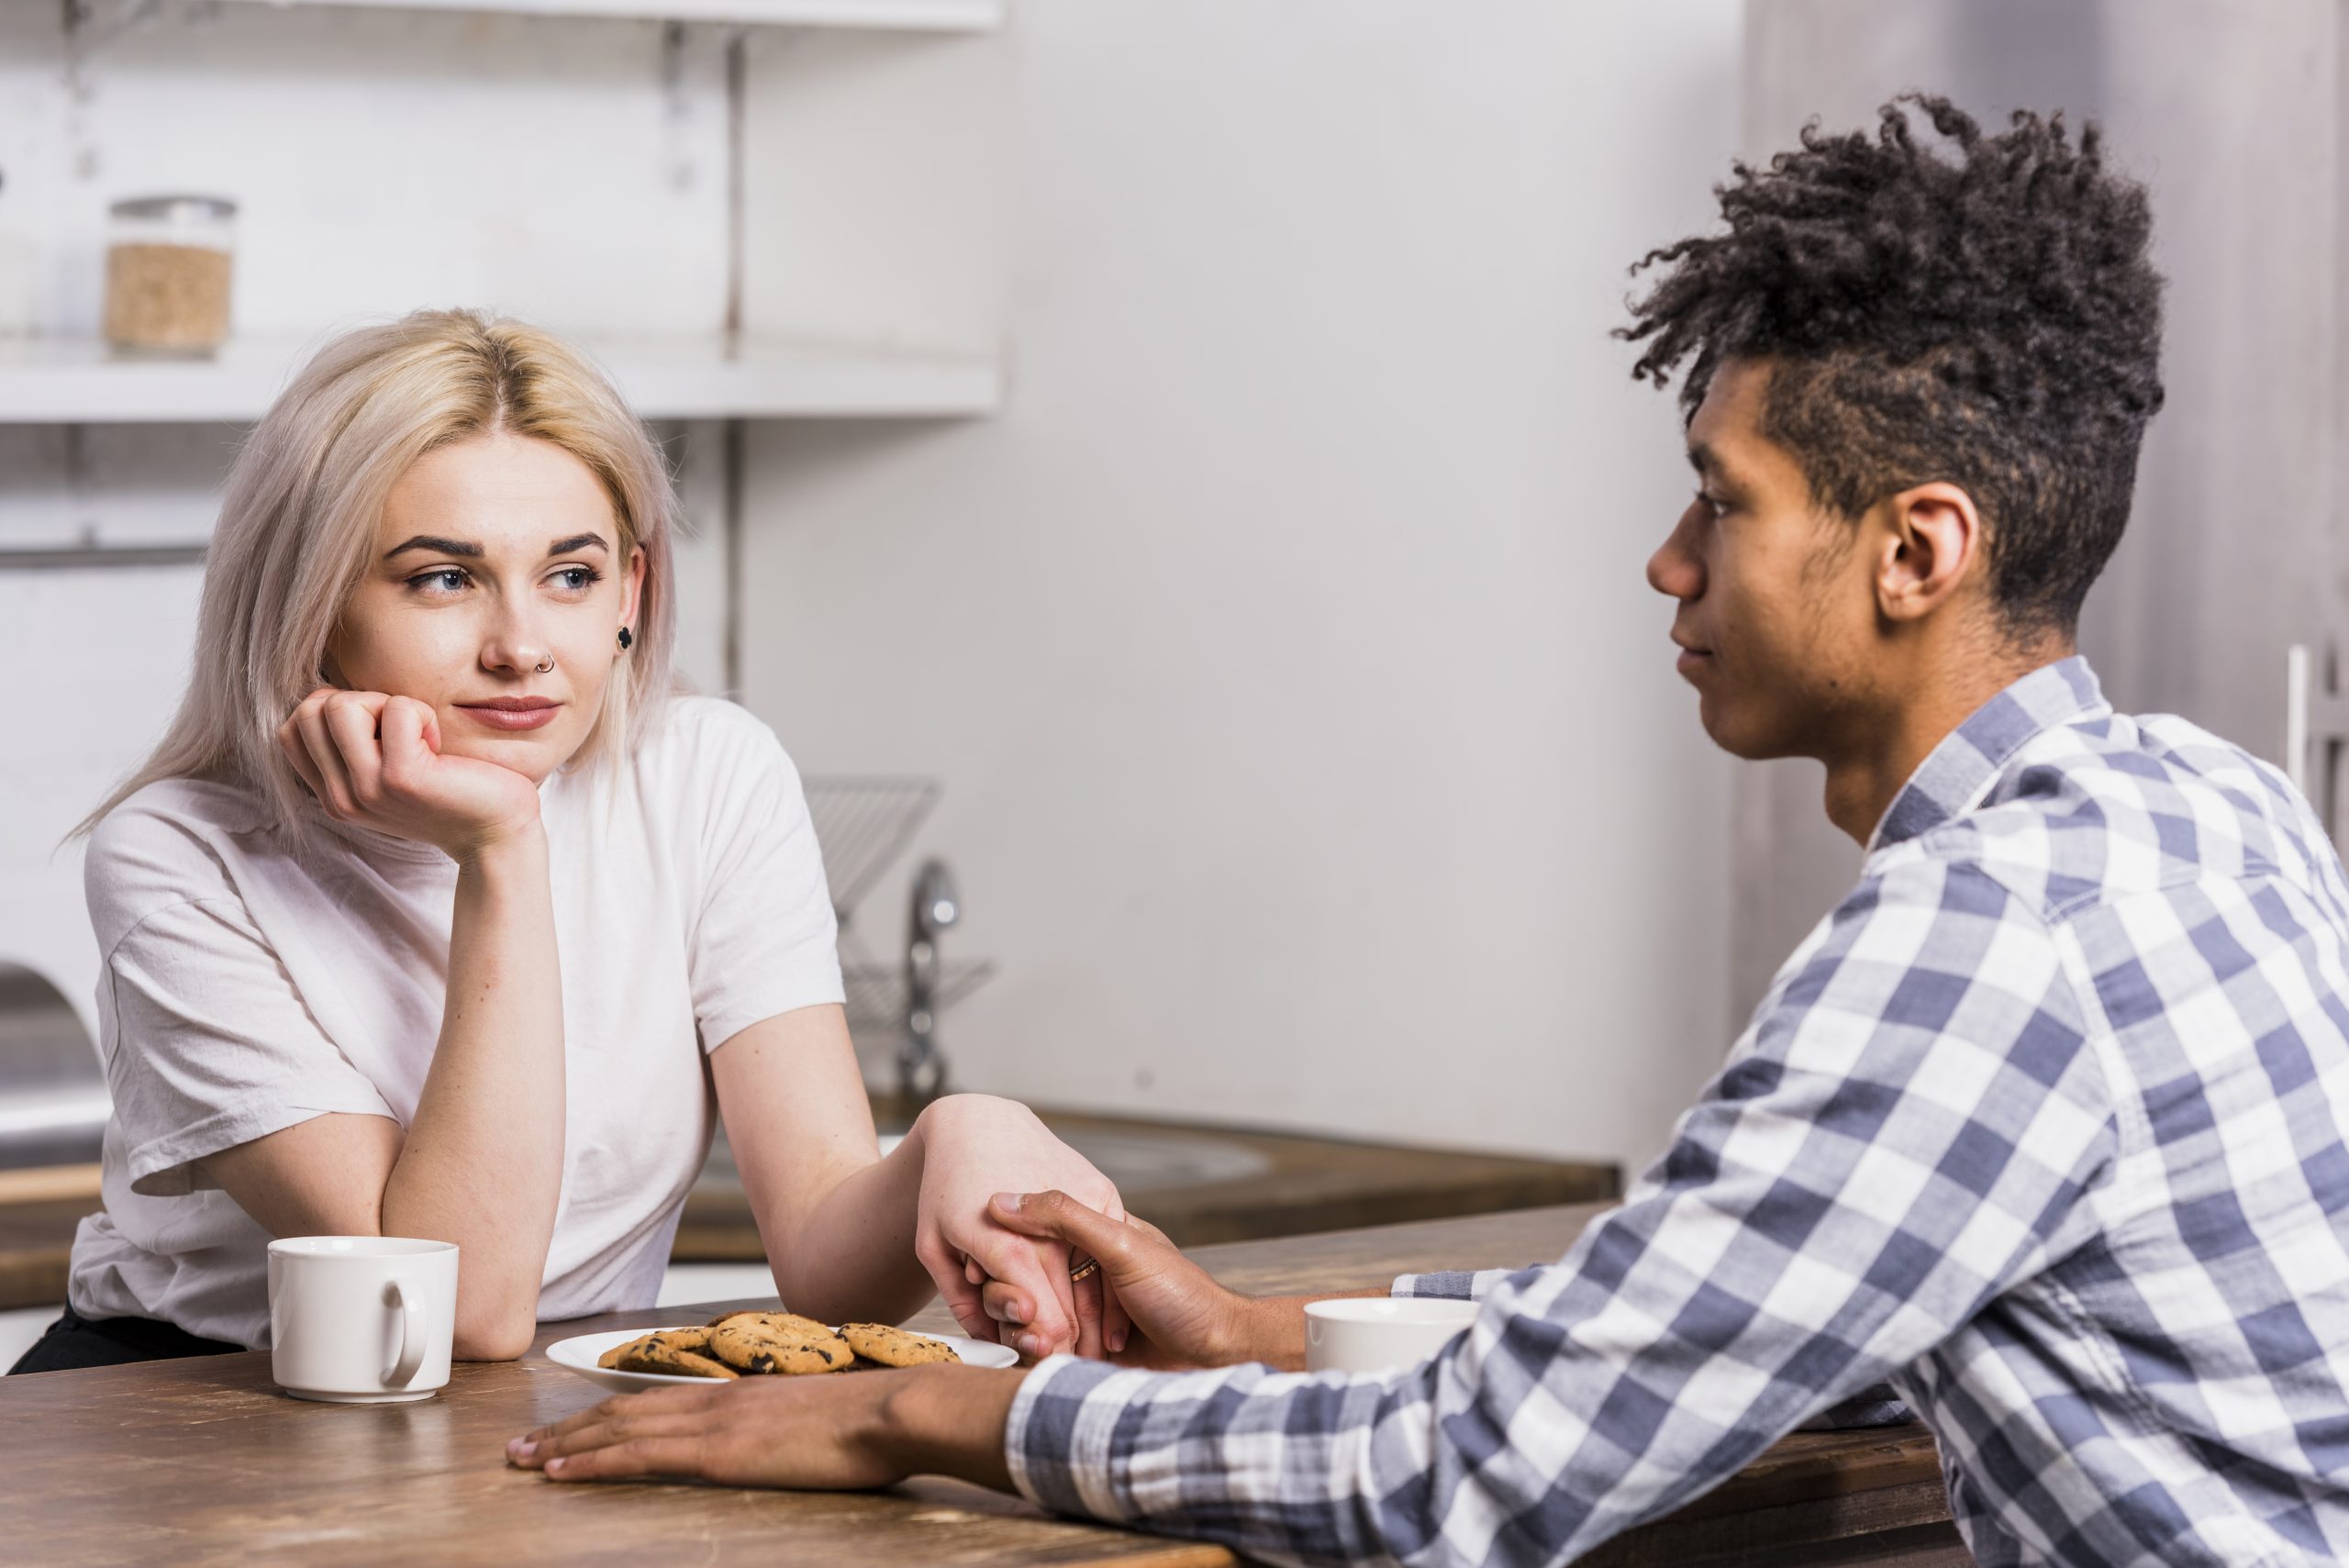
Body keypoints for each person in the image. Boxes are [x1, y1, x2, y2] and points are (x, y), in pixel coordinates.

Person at [509, 96, 2349, 1564]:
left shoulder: (1984, 940)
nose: (1667, 559)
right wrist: (1258, 1325)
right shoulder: (2199, 807)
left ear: (1914, 551)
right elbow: (1731, 1293)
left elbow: (1480, 1476)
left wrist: (911, 1416)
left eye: (1722, 499)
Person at [13, 310, 1122, 1375]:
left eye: (572, 575)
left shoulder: (708, 774)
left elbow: (828, 1262)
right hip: (185, 1406)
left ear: (629, 589)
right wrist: (501, 851)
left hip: (542, 1404)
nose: (523, 646)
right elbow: (449, 1305)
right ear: (311, 606)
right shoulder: (179, 854)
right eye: (443, 578)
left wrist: (957, 1136)